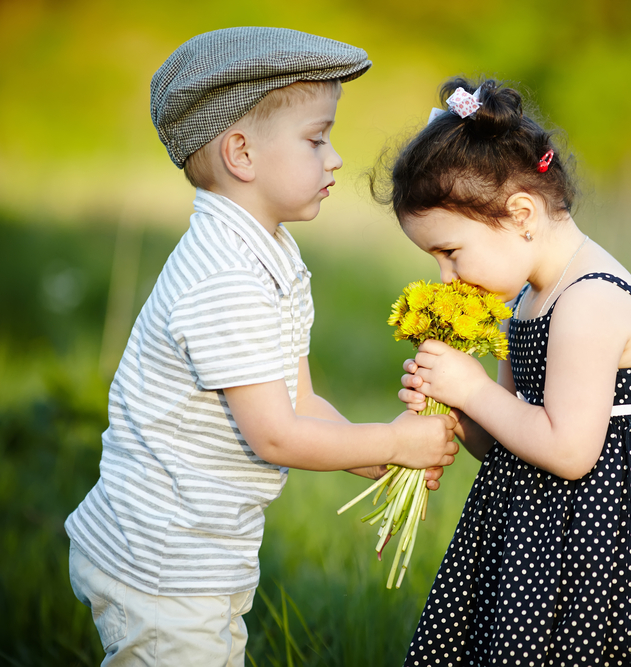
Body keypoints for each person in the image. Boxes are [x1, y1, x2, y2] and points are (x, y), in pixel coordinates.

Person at [64, 28, 458, 666]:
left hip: (209, 549)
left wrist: (387, 462)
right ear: (241, 153)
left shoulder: (270, 252)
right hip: (163, 557)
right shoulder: (223, 277)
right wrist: (391, 441)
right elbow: (275, 435)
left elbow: (299, 402)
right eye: (316, 138)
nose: (334, 158)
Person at [384, 77, 631, 665]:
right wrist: (454, 406)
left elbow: (569, 450)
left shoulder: (587, 300)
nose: (447, 275)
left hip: (616, 535)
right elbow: (508, 438)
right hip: (540, 529)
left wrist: (474, 388)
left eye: (450, 252)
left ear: (522, 213)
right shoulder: (525, 300)